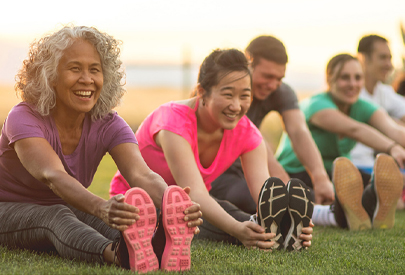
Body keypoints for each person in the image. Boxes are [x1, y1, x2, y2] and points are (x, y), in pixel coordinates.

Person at [0, 25, 202, 274]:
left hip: (67, 202)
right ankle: (117, 254)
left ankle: (155, 244)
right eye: (75, 69)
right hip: (7, 207)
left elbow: (141, 174)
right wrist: (101, 206)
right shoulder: (23, 117)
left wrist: (174, 204)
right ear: (50, 75)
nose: (87, 79)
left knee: (124, 217)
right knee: (57, 216)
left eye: (95, 70)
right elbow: (53, 176)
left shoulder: (108, 123)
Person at [110, 48, 314, 251]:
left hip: (192, 207)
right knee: (200, 216)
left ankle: (282, 233)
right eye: (228, 95)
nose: (236, 106)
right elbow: (195, 194)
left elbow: (264, 195)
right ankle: (268, 235)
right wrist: (238, 229)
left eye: (245, 95)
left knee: (226, 212)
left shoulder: (247, 133)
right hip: (138, 204)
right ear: (202, 92)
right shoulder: (173, 122)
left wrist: (285, 217)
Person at [275, 53, 404, 230]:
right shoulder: (316, 105)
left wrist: (397, 143)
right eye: (345, 77)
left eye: (358, 78)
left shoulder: (362, 106)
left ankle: (369, 208)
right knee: (309, 197)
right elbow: (354, 129)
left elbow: (394, 129)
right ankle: (356, 209)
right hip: (299, 172)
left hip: (339, 174)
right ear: (329, 78)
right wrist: (393, 147)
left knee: (380, 190)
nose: (353, 84)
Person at [208, 36, 334, 214]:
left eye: (279, 78)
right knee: (253, 198)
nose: (273, 85)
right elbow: (255, 140)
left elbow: (299, 132)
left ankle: (335, 211)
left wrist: (320, 177)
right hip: (220, 173)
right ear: (247, 64)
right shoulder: (229, 93)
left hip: (252, 170)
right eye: (267, 76)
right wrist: (283, 183)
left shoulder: (281, 92)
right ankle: (319, 213)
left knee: (308, 194)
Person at [349, 35, 405, 182]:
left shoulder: (384, 92)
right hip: (355, 166)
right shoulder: (349, 94)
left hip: (375, 164)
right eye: (383, 58)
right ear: (363, 59)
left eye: (390, 58)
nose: (389, 65)